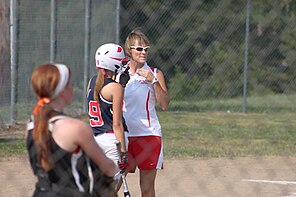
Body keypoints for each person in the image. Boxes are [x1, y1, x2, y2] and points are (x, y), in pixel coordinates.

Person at [26, 63, 117, 197]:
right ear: (63, 91)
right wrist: (116, 164)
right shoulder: (75, 127)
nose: (72, 89)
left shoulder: (32, 124)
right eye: (71, 85)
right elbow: (108, 168)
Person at [123, 28, 170, 197]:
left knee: (146, 188)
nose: (143, 52)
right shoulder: (120, 73)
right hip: (124, 135)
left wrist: (154, 81)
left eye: (146, 49)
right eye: (139, 49)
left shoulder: (155, 73)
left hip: (148, 135)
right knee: (113, 183)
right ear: (129, 50)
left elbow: (164, 104)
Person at [86, 43, 130, 192]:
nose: (124, 65)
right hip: (113, 143)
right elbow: (117, 124)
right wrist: (123, 151)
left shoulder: (92, 82)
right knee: (110, 192)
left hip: (96, 141)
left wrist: (120, 84)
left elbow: (104, 110)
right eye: (121, 62)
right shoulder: (115, 88)